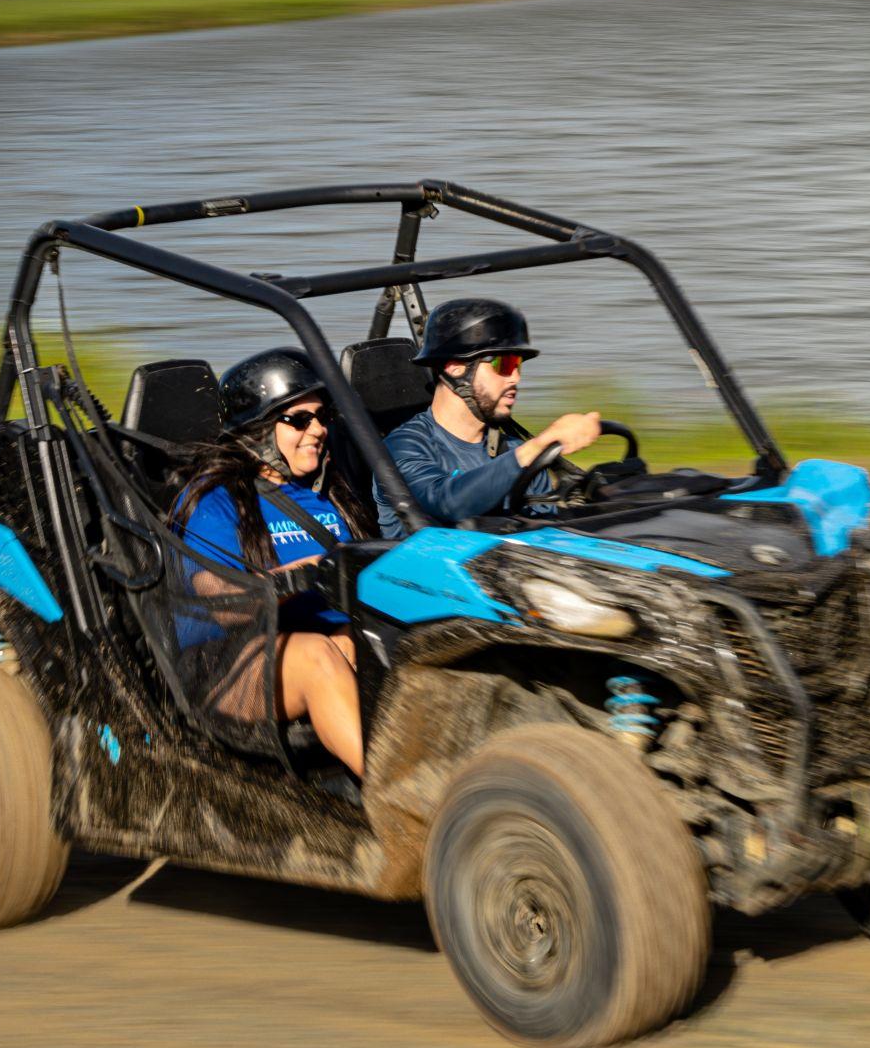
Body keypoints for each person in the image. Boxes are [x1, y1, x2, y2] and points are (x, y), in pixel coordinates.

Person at [169, 348, 371, 779]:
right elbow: (216, 599)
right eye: (299, 420)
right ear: (257, 430)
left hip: (323, 642)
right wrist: (293, 579)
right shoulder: (216, 499)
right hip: (226, 666)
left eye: (322, 416)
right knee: (318, 657)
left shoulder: (329, 491)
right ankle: (401, 799)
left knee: (379, 642)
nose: (318, 429)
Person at [374, 298, 604, 537]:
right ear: (455, 367)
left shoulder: (516, 451)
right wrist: (537, 447)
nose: (515, 378)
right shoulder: (402, 447)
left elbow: (548, 535)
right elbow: (447, 502)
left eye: (518, 365)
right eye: (504, 364)